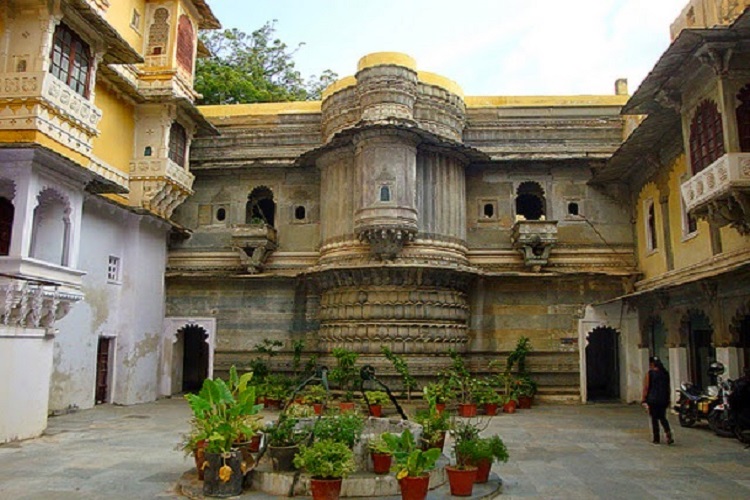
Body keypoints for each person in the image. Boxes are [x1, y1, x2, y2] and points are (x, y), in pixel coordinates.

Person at [642, 356, 674, 445]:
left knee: (654, 419)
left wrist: (644, 399)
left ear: (652, 364)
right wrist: (668, 398)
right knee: (663, 417)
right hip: (663, 399)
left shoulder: (650, 373)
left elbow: (646, 387)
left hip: (652, 399)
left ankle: (656, 438)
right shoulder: (665, 373)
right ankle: (668, 432)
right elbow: (668, 387)